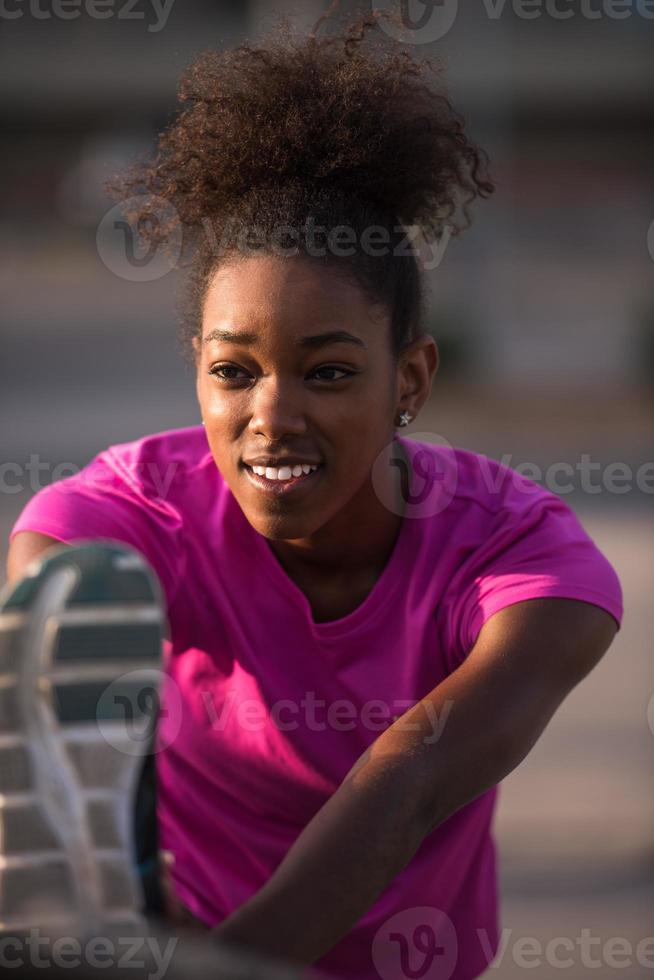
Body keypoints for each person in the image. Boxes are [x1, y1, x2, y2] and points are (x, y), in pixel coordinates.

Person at [6, 7, 623, 980]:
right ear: (196, 370)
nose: (273, 416)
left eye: (328, 373)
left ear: (410, 380)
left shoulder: (515, 552)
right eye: (234, 370)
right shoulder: (136, 508)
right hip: (165, 941)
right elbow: (58, 579)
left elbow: (412, 777)